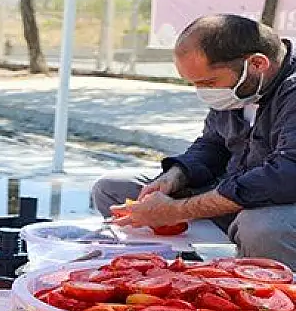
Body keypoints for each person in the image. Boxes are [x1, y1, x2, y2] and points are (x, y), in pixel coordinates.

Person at [92, 14, 296, 269]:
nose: (203, 92)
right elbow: (212, 144)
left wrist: (179, 210)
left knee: (262, 228)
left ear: (256, 64)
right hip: (237, 196)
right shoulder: (242, 87)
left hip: (279, 205)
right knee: (113, 189)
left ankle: (272, 296)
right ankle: (161, 273)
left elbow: (285, 176)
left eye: (208, 82)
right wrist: (177, 175)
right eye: (195, 83)